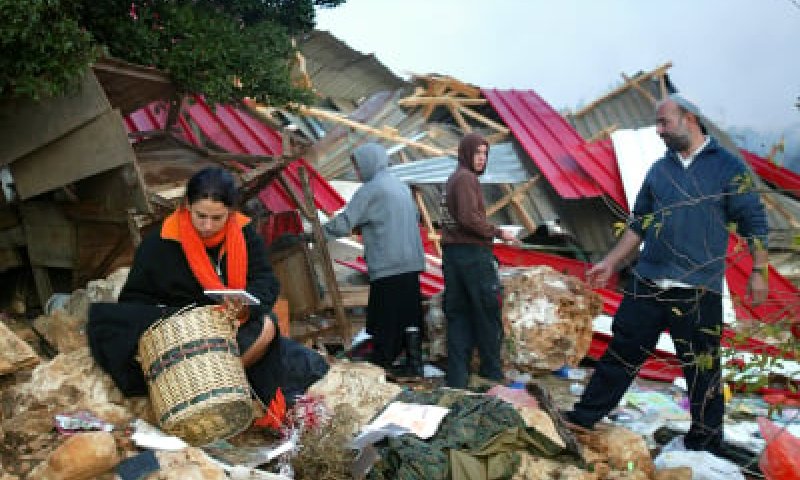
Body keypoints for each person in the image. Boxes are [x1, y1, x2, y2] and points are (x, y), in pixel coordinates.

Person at [563, 94, 769, 455]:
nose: (658, 131)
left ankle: (705, 444)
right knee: (621, 353)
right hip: (649, 282)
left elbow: (754, 222)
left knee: (702, 370)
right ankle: (583, 417)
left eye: (664, 122)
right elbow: (638, 223)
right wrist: (611, 262)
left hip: (698, 288)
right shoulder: (660, 170)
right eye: (657, 124)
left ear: (689, 118)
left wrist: (760, 271)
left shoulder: (728, 168)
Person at [88, 167, 284, 405]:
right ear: (187, 206)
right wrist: (178, 317)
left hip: (229, 323)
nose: (208, 226)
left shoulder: (245, 235)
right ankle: (203, 385)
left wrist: (245, 305)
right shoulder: (160, 242)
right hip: (179, 327)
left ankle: (216, 383)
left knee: (267, 328)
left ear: (231, 212)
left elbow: (265, 280)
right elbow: (135, 297)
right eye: (201, 216)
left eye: (217, 218)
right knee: (113, 323)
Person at [323, 142, 426, 372]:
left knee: (386, 317)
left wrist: (315, 234)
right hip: (411, 262)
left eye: (359, 168)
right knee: (408, 315)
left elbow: (345, 222)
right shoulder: (400, 186)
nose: (358, 174)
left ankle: (384, 362)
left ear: (369, 164)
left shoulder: (372, 189)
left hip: (389, 263)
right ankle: (413, 363)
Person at [441, 133, 518, 389]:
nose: (482, 158)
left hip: (453, 257)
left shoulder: (454, 178)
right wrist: (498, 232)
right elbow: (468, 219)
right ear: (466, 153)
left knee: (459, 317)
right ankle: (491, 375)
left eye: (485, 153)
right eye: (477, 153)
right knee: (487, 313)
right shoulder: (465, 179)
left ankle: (457, 379)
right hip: (472, 255)